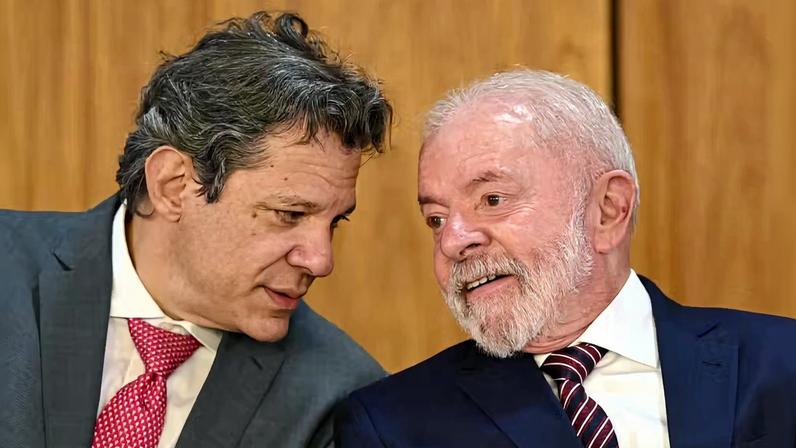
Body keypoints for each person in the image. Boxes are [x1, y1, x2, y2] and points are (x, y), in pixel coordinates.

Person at [334, 69, 796, 447]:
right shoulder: (393, 426)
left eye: (492, 200)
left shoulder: (781, 363)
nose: (453, 241)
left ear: (608, 209)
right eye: (435, 219)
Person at [0, 10, 392, 448]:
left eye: (334, 221)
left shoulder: (338, 396)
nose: (321, 260)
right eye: (290, 214)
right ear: (173, 185)